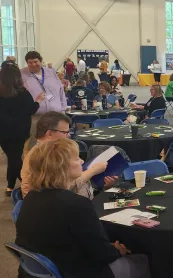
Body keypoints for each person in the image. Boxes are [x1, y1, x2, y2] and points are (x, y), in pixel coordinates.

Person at [16, 138, 151, 278]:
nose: (82, 161)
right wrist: (117, 250)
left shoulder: (31, 196)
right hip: (74, 271)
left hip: (39, 270)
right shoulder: (77, 204)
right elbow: (102, 254)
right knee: (144, 260)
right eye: (76, 159)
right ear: (61, 167)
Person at [20, 112, 117, 199]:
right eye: (65, 132)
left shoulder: (53, 152)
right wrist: (92, 171)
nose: (69, 135)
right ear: (49, 133)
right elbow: (60, 189)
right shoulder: (41, 156)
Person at [0, 64, 43, 196]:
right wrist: (38, 100)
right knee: (15, 158)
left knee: (13, 157)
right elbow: (31, 110)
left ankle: (10, 186)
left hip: (3, 132)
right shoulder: (23, 93)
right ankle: (28, 183)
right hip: (20, 131)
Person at [21, 51, 66, 150]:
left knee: (56, 142)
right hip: (35, 116)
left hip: (55, 115)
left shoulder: (51, 72)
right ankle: (33, 163)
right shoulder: (22, 74)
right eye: (30, 62)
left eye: (35, 61)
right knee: (34, 141)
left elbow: (61, 91)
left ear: (40, 61)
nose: (33, 64)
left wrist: (63, 109)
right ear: (27, 63)